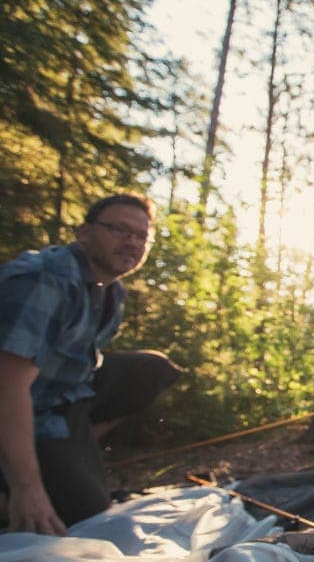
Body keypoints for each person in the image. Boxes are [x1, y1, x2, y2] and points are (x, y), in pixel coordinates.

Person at [0, 193, 182, 536]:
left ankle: (71, 455)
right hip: (21, 406)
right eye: (119, 230)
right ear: (85, 233)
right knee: (83, 513)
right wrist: (28, 490)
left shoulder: (112, 293)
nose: (131, 242)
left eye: (141, 236)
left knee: (149, 369)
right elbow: (7, 388)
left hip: (61, 399)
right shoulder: (45, 280)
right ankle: (14, 485)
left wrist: (78, 449)